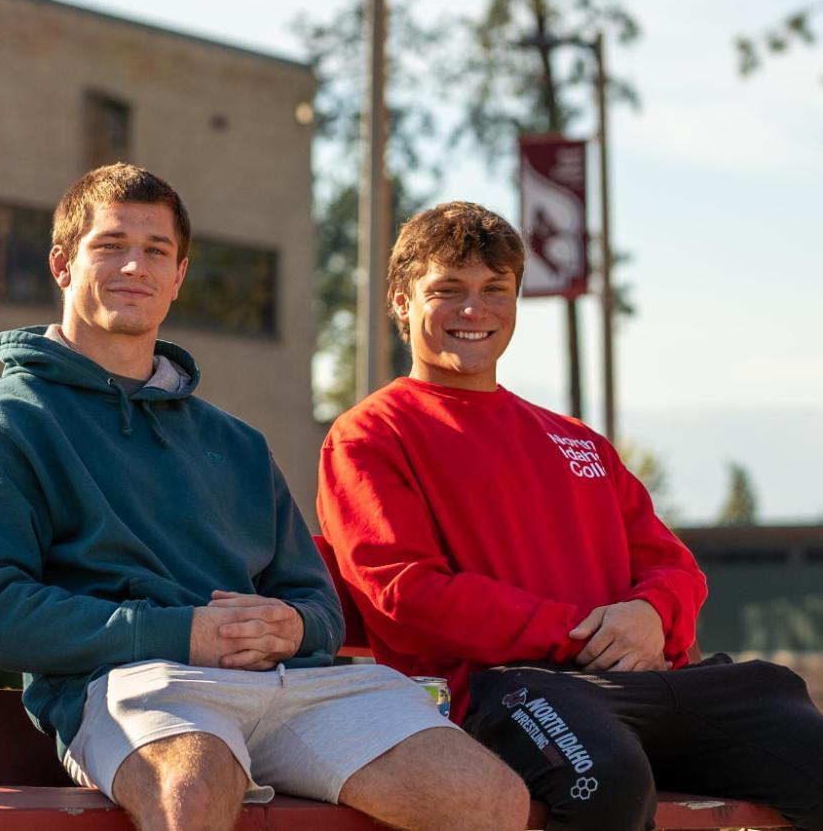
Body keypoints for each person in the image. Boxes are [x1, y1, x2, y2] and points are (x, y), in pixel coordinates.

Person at [0, 167, 530, 831]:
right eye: (110, 245)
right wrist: (179, 632)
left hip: (287, 688)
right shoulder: (6, 425)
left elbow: (319, 609)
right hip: (134, 685)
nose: (135, 265)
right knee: (194, 789)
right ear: (62, 265)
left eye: (157, 250)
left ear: (179, 274)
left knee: (486, 796)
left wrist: (293, 627)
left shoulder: (236, 442)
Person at [318, 200, 823, 831]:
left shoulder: (574, 439)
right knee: (603, 781)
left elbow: (674, 567)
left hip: (639, 686)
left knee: (795, 728)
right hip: (501, 691)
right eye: (448, 290)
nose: (474, 311)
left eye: (495, 290)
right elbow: (408, 594)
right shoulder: (373, 434)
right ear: (401, 301)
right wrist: (583, 634)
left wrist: (650, 614)